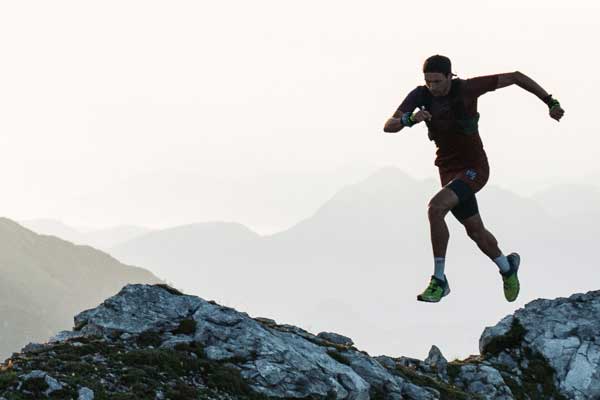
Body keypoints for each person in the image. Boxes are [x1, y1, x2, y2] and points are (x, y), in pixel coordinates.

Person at [383, 55, 565, 303]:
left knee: (436, 209)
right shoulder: (420, 95)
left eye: (437, 81)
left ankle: (439, 280)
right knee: (475, 231)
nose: (433, 87)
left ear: (450, 76)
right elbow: (389, 125)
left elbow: (516, 77)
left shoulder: (467, 89)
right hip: (447, 170)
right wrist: (409, 119)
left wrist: (550, 101)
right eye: (428, 82)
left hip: (474, 168)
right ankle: (507, 267)